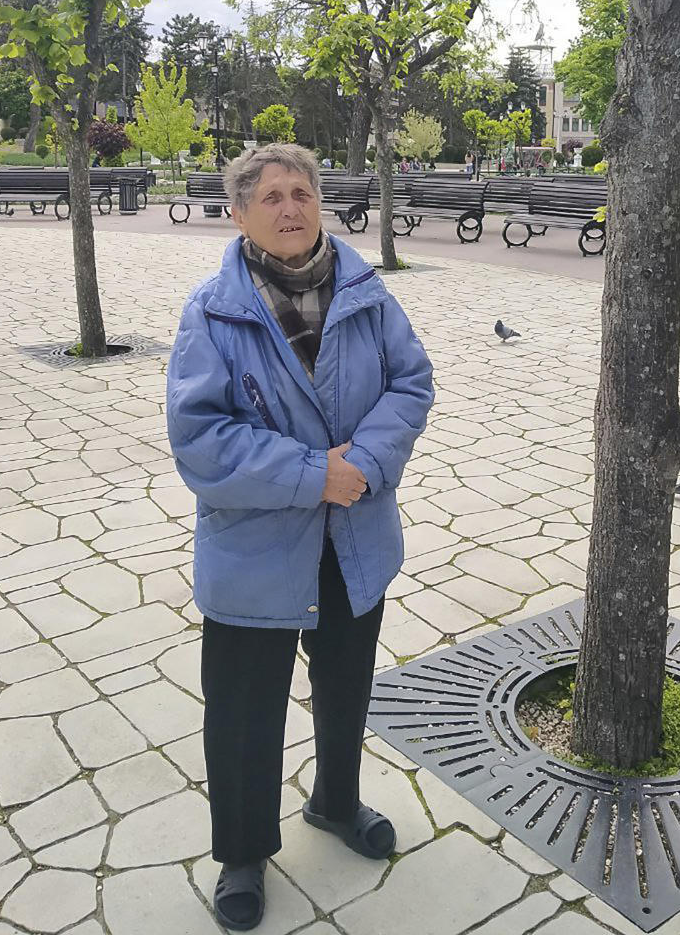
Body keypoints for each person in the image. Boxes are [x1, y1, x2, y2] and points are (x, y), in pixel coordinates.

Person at [166, 144, 434, 931]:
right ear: (239, 214)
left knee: (347, 684)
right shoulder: (212, 312)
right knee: (245, 707)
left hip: (354, 536)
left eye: (302, 193)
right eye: (272, 197)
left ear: (321, 202)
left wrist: (367, 465)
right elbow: (201, 441)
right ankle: (243, 852)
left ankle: (337, 801)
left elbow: (411, 382)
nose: (291, 208)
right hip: (255, 549)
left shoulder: (366, 291)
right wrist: (314, 472)